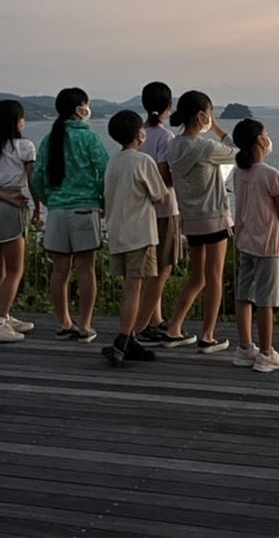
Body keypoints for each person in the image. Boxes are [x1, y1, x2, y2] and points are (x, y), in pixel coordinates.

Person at [161, 90, 236, 354]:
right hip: (214, 218)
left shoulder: (174, 146)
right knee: (214, 278)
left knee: (197, 278)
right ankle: (207, 335)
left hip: (190, 221)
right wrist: (217, 128)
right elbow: (241, 153)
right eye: (210, 114)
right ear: (203, 115)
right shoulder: (206, 147)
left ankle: (174, 328)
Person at [32, 87, 107, 343]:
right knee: (86, 269)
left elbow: (37, 177)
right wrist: (102, 200)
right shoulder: (89, 137)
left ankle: (64, 323)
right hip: (85, 209)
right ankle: (85, 324)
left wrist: (50, 200)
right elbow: (104, 170)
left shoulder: (49, 139)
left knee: (59, 271)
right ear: (79, 109)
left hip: (56, 212)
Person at [100, 110, 167, 367]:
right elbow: (159, 195)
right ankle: (123, 340)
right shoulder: (143, 161)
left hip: (117, 232)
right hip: (140, 233)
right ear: (139, 133)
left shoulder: (113, 162)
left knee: (130, 287)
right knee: (134, 288)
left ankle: (129, 339)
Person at [229, 119, 279, 373]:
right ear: (260, 141)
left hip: (245, 240)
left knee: (244, 295)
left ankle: (245, 348)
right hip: (267, 245)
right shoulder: (270, 174)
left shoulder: (239, 173)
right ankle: (266, 353)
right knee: (266, 300)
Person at [0, 99, 38, 342]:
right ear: (15, 122)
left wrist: (1, 197)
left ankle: (2, 315)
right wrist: (37, 207)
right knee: (15, 269)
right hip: (10, 207)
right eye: (22, 117)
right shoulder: (25, 146)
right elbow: (32, 180)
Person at [132, 82, 180, 347]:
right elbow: (164, 176)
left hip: (141, 210)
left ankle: (155, 320)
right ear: (168, 107)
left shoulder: (138, 134)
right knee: (163, 268)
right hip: (164, 208)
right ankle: (141, 325)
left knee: (150, 268)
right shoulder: (165, 137)